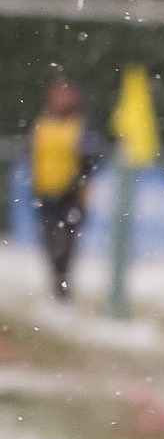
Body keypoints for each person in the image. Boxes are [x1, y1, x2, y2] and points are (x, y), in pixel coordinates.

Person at [28, 74, 102, 303]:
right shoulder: (42, 123)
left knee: (65, 245)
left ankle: (63, 287)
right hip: (45, 193)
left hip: (71, 196)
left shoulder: (81, 125)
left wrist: (77, 183)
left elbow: (91, 159)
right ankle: (58, 285)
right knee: (50, 243)